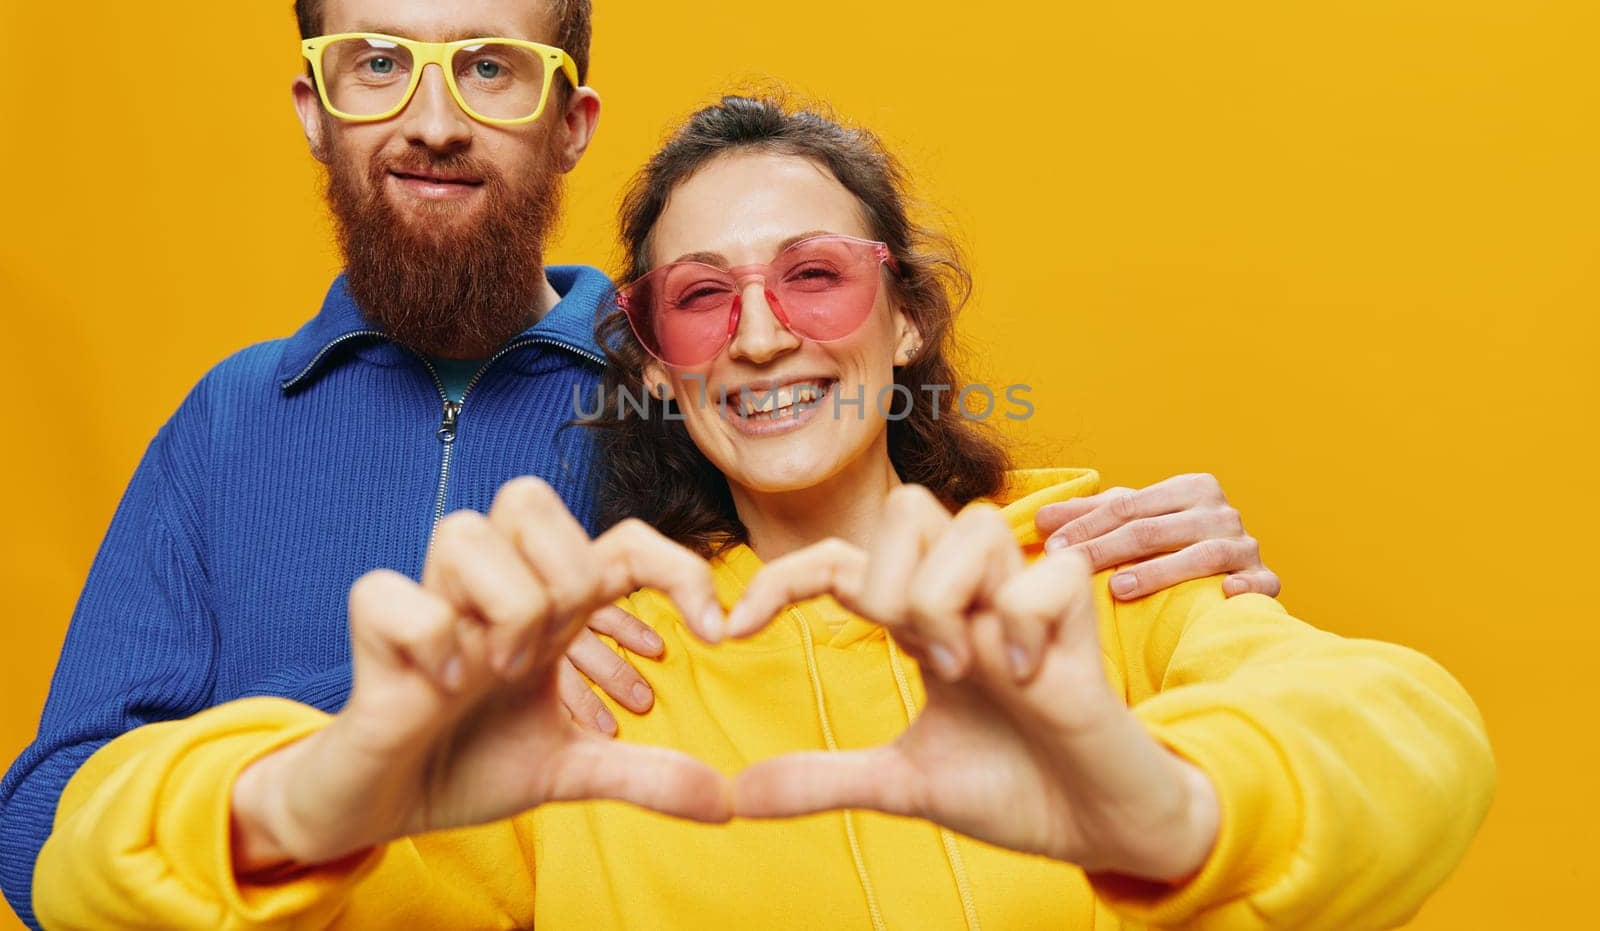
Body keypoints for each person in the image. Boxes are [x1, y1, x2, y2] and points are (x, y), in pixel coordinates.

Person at [0, 0, 1282, 928]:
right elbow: (40, 829)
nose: (431, 118)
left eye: (491, 68)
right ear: (315, 107)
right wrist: (381, 751)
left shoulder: (713, 368)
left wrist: (1145, 550)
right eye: (377, 61)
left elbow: (878, 530)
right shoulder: (224, 426)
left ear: (569, 121)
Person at [28, 96, 1496, 929]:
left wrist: (1168, 808)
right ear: (660, 365)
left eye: (816, 275)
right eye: (700, 295)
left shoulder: (1095, 573)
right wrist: (313, 787)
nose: (760, 332)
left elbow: (1406, 730)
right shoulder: (597, 679)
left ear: (905, 317)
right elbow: (100, 866)